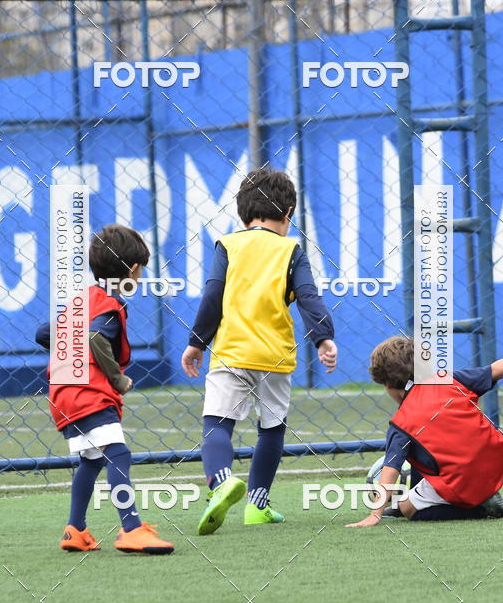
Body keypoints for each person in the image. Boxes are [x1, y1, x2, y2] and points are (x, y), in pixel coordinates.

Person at [181, 168, 337, 535]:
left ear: (242, 213)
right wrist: (323, 338)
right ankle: (258, 505)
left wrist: (196, 343)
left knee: (217, 422)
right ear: (288, 215)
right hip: (275, 357)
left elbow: (212, 296)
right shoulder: (291, 250)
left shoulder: (228, 245)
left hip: (231, 353)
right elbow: (309, 298)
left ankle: (221, 482)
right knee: (272, 429)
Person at [36, 223, 174, 554]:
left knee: (92, 459)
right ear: (134, 270)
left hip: (63, 395)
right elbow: (96, 337)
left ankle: (76, 529)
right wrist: (117, 378)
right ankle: (131, 528)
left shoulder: (82, 300)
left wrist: (70, 359)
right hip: (90, 394)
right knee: (118, 454)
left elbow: (44, 334)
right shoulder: (110, 305)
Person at [347, 336, 503, 527]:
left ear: (389, 384)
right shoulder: (452, 381)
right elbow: (495, 370)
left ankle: (481, 509)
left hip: (463, 481)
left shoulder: (401, 424)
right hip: (493, 468)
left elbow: (390, 469)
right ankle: (478, 498)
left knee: (407, 508)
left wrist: (375, 514)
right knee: (425, 446)